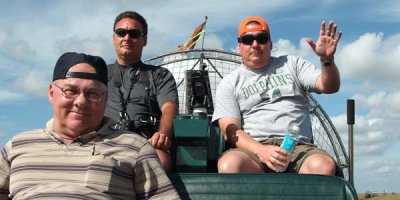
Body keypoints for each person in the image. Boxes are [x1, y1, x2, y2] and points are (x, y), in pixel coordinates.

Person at [0, 52, 180, 199]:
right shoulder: (17, 146)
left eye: (93, 94)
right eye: (70, 91)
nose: (81, 101)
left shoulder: (134, 148)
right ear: (51, 92)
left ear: (106, 99)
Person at [212, 16, 342, 175]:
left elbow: (329, 86)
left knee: (323, 166)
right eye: (247, 40)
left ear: (270, 44)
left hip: (298, 147)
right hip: (253, 150)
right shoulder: (229, 83)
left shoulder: (292, 64)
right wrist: (261, 150)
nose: (255, 44)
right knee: (229, 164)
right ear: (239, 46)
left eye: (262, 38)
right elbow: (230, 131)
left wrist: (326, 60)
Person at [105, 11, 178, 172]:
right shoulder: (99, 75)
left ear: (144, 40)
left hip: (145, 144)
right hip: (104, 141)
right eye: (121, 33)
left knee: (159, 160)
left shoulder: (160, 75)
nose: (127, 38)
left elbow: (169, 107)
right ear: (114, 38)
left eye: (134, 34)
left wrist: (162, 134)